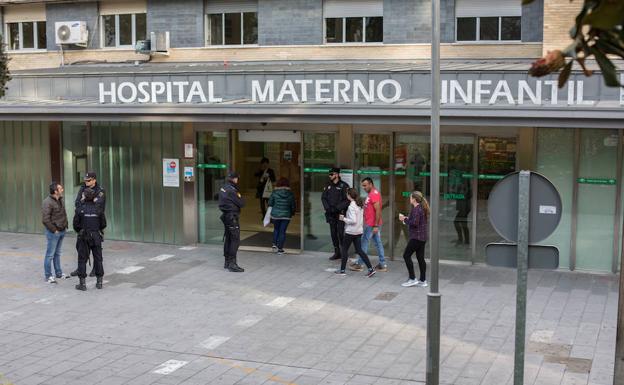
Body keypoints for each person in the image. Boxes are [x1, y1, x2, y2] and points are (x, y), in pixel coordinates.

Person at [70, 171, 106, 278]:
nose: (86, 182)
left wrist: (84, 200)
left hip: (96, 223)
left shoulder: (100, 191)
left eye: (88, 180)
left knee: (96, 250)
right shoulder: (82, 188)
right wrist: (88, 201)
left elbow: (99, 205)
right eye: (85, 180)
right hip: (84, 224)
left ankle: (96, 269)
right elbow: (77, 203)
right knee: (80, 247)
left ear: (94, 180)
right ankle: (81, 267)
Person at [335, 188, 376, 277]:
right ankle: (370, 269)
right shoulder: (360, 205)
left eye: (347, 194)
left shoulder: (351, 206)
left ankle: (342, 271)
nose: (346, 195)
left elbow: (353, 220)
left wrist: (343, 219)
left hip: (351, 232)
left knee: (344, 250)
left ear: (349, 195)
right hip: (358, 231)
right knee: (359, 250)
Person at [73, 188, 107, 291]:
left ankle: (82, 284)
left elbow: (75, 225)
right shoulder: (98, 209)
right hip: (96, 236)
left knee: (82, 260)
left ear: (84, 196)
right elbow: (103, 224)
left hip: (84, 237)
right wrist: (97, 229)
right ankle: (99, 282)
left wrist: (81, 230)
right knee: (98, 259)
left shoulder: (80, 209)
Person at [350, 177, 387, 272]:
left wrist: (375, 225)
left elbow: (378, 210)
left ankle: (360, 264)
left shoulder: (374, 194)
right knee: (378, 243)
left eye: (365, 185)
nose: (363, 187)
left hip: (371, 224)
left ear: (371, 184)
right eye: (362, 185)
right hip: (372, 224)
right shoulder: (371, 194)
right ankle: (382, 264)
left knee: (364, 243)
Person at [398, 191, 430, 287]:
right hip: (422, 238)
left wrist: (404, 219)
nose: (409, 199)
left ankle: (412, 278)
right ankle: (423, 280)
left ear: (414, 199)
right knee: (420, 258)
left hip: (416, 237)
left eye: (410, 197)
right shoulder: (422, 208)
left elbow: (415, 223)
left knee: (406, 255)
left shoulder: (416, 209)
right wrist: (406, 218)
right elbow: (417, 220)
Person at [41, 182, 68, 283]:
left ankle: (59, 273)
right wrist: (54, 230)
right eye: (60, 189)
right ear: (55, 191)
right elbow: (45, 219)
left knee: (57, 253)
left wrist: (65, 226)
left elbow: (63, 214)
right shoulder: (47, 202)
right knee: (50, 255)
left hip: (62, 230)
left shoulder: (60, 199)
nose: (62, 190)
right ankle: (48, 276)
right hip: (53, 232)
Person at [219, 171, 245, 272]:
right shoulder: (232, 190)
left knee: (228, 238)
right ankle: (232, 264)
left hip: (226, 216)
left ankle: (227, 262)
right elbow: (242, 203)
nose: (237, 180)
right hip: (232, 217)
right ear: (234, 179)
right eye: (237, 178)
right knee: (235, 240)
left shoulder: (224, 187)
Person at [321, 167, 350, 260]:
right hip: (330, 214)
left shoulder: (344, 186)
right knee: (333, 233)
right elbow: (323, 198)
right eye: (329, 174)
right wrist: (328, 208)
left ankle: (344, 252)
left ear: (337, 174)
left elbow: (347, 200)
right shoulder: (328, 185)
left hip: (340, 213)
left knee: (341, 233)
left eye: (331, 174)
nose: (330, 176)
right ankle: (337, 252)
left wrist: (337, 208)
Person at [268, 177, 296, 255]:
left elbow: (270, 203)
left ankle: (274, 244)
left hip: (275, 215)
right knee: (282, 231)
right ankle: (280, 249)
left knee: (276, 229)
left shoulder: (274, 192)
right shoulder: (290, 193)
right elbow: (293, 205)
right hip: (286, 215)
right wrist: (292, 212)